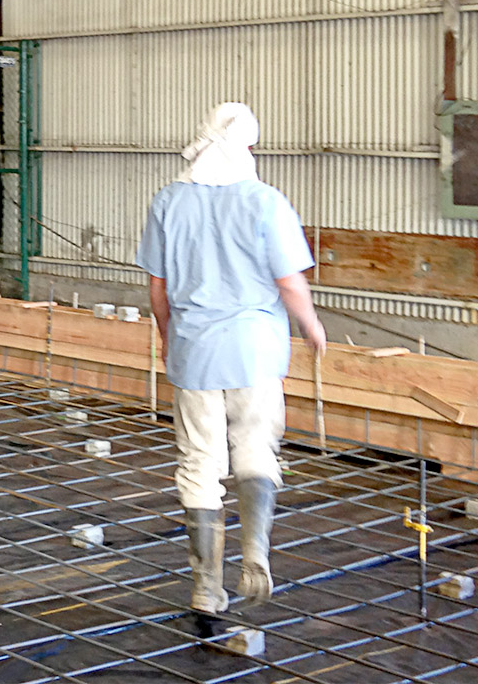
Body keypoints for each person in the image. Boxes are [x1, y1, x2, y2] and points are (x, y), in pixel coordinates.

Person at [135, 103, 326, 614]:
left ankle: (205, 584)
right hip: (256, 351)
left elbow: (159, 288)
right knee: (255, 450)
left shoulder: (169, 202)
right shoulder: (266, 202)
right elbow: (290, 281)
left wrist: (168, 335)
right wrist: (310, 325)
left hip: (195, 351)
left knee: (200, 462)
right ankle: (255, 550)